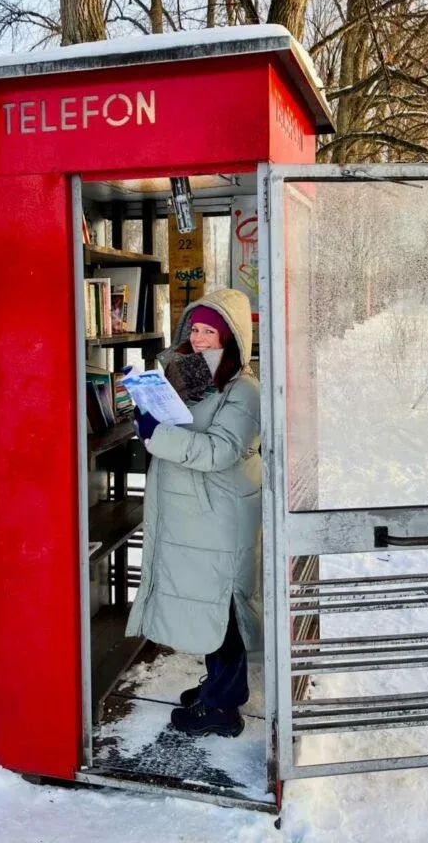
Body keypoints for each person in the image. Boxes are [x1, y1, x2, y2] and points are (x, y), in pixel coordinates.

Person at [125, 288, 262, 739]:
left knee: (221, 608)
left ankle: (223, 707)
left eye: (211, 331)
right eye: (196, 329)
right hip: (196, 515)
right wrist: (145, 404)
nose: (200, 338)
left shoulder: (243, 390)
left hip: (218, 516)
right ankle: (217, 687)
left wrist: (156, 433)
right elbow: (180, 427)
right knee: (206, 605)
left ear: (232, 338)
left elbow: (219, 449)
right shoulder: (191, 376)